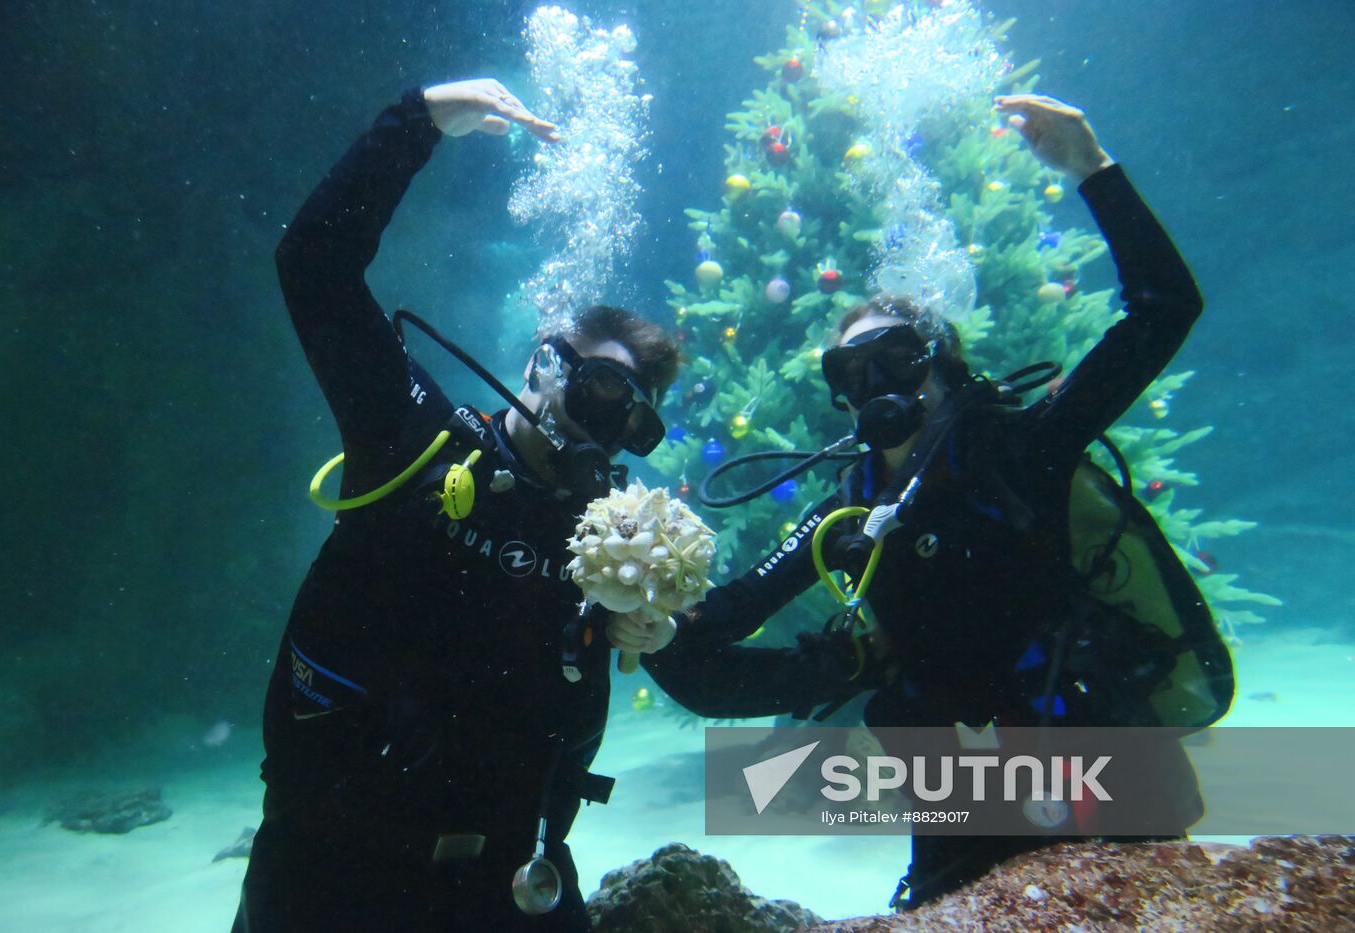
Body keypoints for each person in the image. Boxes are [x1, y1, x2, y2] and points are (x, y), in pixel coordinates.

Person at [643, 94, 1233, 909]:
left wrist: (1091, 169)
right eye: (850, 374)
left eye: (895, 359)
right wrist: (655, 626)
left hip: (1112, 798)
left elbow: (1164, 309)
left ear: (944, 366)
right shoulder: (849, 513)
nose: (874, 385)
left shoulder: (1023, 450)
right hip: (965, 830)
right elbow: (720, 641)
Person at [235, 79, 681, 932]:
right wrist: (417, 120)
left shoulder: (610, 541)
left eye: (634, 418)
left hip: (516, 882)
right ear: (542, 365)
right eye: (597, 388)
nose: (609, 429)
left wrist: (655, 630)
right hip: (334, 874)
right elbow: (314, 262)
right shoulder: (414, 436)